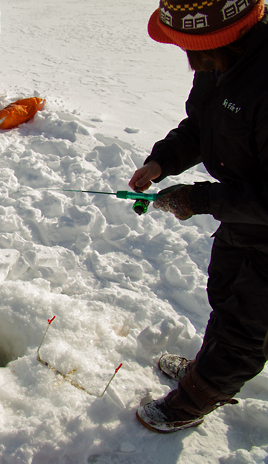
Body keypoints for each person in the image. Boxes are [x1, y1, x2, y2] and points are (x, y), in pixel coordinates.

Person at [129, 0, 268, 433]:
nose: (191, 59)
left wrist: (201, 200)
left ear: (220, 37)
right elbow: (201, 126)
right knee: (225, 291)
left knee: (248, 323)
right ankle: (208, 368)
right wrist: (161, 162)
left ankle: (195, 398)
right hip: (245, 213)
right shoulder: (222, 61)